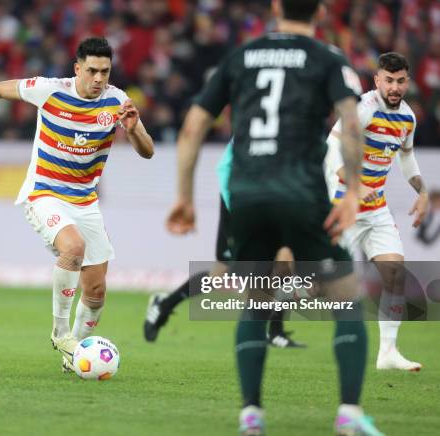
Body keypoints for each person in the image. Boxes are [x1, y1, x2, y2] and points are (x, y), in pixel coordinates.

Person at [166, 0, 384, 434]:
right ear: (320, 12)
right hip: (301, 194)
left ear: (276, 7)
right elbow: (350, 122)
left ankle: (251, 415)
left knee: (256, 303)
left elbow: (192, 126)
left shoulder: (240, 57)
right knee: (345, 299)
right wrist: (355, 190)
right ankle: (350, 414)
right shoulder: (329, 59)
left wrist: (185, 197)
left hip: (246, 197)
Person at [0, 37, 154, 372]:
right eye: (92, 70)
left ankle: (72, 357)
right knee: (72, 247)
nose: (99, 78)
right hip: (43, 192)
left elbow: (147, 151)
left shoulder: (118, 102)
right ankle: (61, 335)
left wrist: (133, 131)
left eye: (105, 71)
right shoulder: (49, 90)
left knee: (96, 290)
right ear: (78, 68)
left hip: (85, 201)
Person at [145, 138, 305, 348]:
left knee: (286, 262)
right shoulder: (252, 121)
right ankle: (164, 304)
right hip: (240, 205)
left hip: (274, 204)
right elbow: (224, 167)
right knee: (221, 275)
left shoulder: (298, 125)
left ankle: (275, 332)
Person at [325, 52, 428, 371]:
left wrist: (423, 191)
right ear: (377, 81)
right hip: (344, 204)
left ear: (407, 81)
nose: (394, 87)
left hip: (376, 207)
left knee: (394, 273)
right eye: (388, 81)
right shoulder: (364, 109)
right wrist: (355, 183)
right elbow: (332, 150)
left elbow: (406, 158)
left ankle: (387, 352)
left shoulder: (407, 118)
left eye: (400, 81)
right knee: (316, 282)